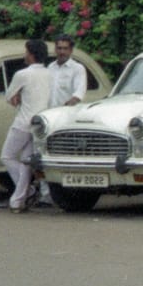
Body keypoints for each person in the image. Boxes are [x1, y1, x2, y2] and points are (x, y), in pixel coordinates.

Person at [32, 36, 88, 209]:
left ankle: (68, 194)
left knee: (66, 155)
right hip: (48, 119)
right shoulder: (50, 68)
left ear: (71, 50)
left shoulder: (77, 69)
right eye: (59, 48)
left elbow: (78, 94)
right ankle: (45, 195)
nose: (61, 52)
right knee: (42, 154)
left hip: (66, 119)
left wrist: (64, 109)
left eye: (65, 48)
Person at [2, 38, 51, 213]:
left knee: (6, 157)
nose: (25, 55)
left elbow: (9, 97)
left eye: (26, 52)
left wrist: (19, 95)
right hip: (40, 125)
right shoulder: (48, 73)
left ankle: (25, 193)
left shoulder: (22, 74)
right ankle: (18, 199)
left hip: (23, 122)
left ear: (31, 55)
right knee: (26, 161)